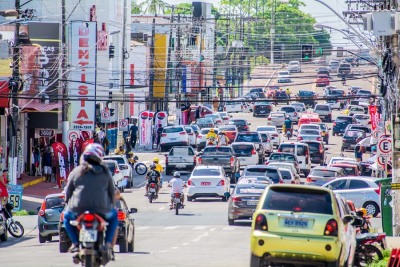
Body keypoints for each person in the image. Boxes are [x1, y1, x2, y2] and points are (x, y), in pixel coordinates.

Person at [63, 143, 117, 253]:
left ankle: (75, 243)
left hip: (78, 209)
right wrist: (112, 203)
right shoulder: (105, 171)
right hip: (102, 209)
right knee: (114, 216)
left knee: (66, 217)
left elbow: (68, 191)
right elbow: (112, 191)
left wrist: (66, 202)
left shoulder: (77, 171)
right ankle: (107, 243)